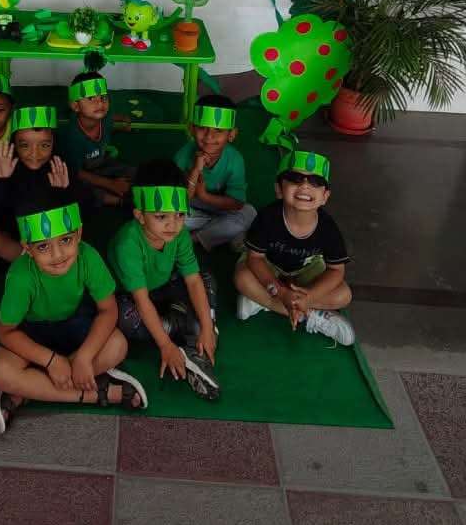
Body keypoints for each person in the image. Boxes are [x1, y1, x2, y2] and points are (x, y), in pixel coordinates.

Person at [0, 192, 147, 434]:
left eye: (65, 240)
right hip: (33, 335)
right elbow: (5, 331)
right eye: (43, 246)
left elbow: (108, 310)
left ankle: (28, 390)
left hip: (76, 326)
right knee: (1, 372)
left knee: (117, 345)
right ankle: (97, 394)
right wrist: (51, 361)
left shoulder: (88, 257)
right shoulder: (20, 276)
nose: (58, 255)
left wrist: (84, 357)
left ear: (79, 234)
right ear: (27, 248)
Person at [108, 158, 220, 400]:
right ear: (140, 215)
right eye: (161, 217)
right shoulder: (128, 244)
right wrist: (165, 346)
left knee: (206, 278)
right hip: (133, 297)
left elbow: (193, 280)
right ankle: (186, 335)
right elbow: (141, 300)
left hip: (165, 286)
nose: (173, 225)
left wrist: (207, 327)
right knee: (122, 318)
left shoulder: (180, 234)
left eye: (179, 215)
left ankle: (198, 331)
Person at [234, 150, 354, 345]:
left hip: (306, 270)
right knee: (242, 277)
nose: (305, 185)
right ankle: (309, 314)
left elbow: (336, 270)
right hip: (268, 264)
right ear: (279, 189)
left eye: (315, 181)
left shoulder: (328, 228)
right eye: (295, 179)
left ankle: (264, 301)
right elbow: (255, 258)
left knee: (344, 295)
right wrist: (280, 292)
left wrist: (310, 296)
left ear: (325, 196)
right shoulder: (267, 217)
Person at [0, 104, 76, 265]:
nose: (35, 153)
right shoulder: (6, 167)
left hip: (49, 237)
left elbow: (77, 216)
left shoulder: (60, 167)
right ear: (14, 144)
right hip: (15, 236)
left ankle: (47, 265)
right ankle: (35, 267)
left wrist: (62, 192)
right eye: (25, 145)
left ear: (54, 144)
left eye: (44, 145)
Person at [174, 95, 256, 251]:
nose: (209, 136)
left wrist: (204, 195)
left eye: (218, 130)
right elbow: (178, 201)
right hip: (190, 206)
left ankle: (194, 238)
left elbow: (237, 203)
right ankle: (220, 230)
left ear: (231, 134)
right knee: (164, 212)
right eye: (202, 128)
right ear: (192, 129)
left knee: (249, 213)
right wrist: (196, 170)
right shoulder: (183, 155)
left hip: (219, 206)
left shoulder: (235, 159)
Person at [59, 70, 132, 206]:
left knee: (131, 171)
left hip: (101, 163)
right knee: (78, 190)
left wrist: (122, 121)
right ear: (75, 106)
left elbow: (110, 118)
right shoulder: (72, 137)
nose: (99, 103)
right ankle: (117, 200)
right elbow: (76, 171)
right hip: (81, 172)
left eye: (103, 97)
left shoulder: (105, 118)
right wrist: (110, 184)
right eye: (91, 98)